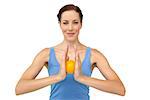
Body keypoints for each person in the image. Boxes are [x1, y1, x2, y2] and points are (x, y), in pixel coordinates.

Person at [15, 4, 126, 100]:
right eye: (65, 23)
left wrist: (82, 78)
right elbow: (20, 88)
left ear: (81, 24)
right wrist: (57, 77)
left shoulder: (94, 55)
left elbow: (120, 89)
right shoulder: (46, 54)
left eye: (75, 22)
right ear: (60, 24)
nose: (70, 28)